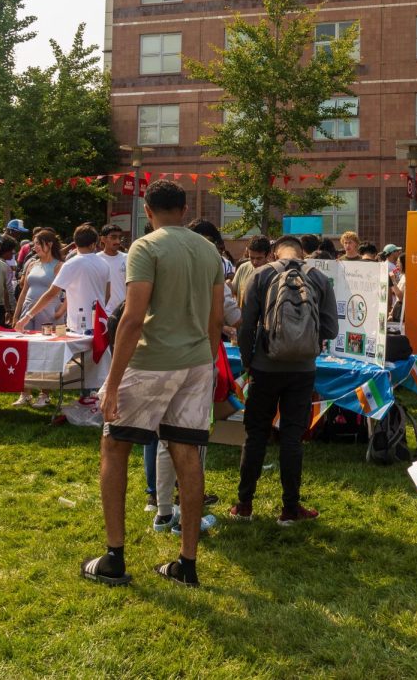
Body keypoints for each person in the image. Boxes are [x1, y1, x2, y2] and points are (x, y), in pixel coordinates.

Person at [84, 179, 224, 588]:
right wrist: (206, 362)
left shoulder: (145, 248)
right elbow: (217, 320)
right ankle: (187, 562)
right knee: (187, 455)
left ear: (147, 211)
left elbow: (132, 316)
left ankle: (114, 556)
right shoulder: (209, 250)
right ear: (184, 208)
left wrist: (111, 381)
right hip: (197, 362)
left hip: (151, 361)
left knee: (115, 445)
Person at [232, 235, 337, 524]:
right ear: (303, 253)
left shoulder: (261, 275)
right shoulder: (318, 277)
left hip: (265, 368)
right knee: (292, 438)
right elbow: (330, 328)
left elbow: (245, 327)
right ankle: (290, 509)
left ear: (274, 252)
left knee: (256, 434)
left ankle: (244, 505)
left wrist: (248, 361)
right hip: (303, 371)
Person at [16, 224, 111, 336]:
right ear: (94, 244)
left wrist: (27, 317)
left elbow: (51, 293)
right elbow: (107, 294)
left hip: (79, 325)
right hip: (100, 323)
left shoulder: (71, 264)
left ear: (75, 243)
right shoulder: (105, 263)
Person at [9, 229, 65, 408]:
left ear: (48, 244)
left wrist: (60, 311)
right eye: (33, 244)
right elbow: (24, 291)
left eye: (38, 244)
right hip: (27, 311)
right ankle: (24, 392)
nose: (34, 247)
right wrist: (16, 314)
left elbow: (68, 292)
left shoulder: (59, 266)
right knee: (24, 352)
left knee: (44, 354)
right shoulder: (32, 264)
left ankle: (44, 393)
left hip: (48, 314)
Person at [97, 225, 128, 314]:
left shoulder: (128, 258)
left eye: (120, 238)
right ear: (103, 239)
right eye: (113, 237)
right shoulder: (96, 260)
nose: (118, 241)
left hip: (123, 312)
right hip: (102, 312)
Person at [231, 235, 270, 305]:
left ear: (268, 255)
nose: (255, 262)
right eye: (251, 258)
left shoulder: (273, 272)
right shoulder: (243, 268)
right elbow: (233, 290)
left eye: (259, 258)